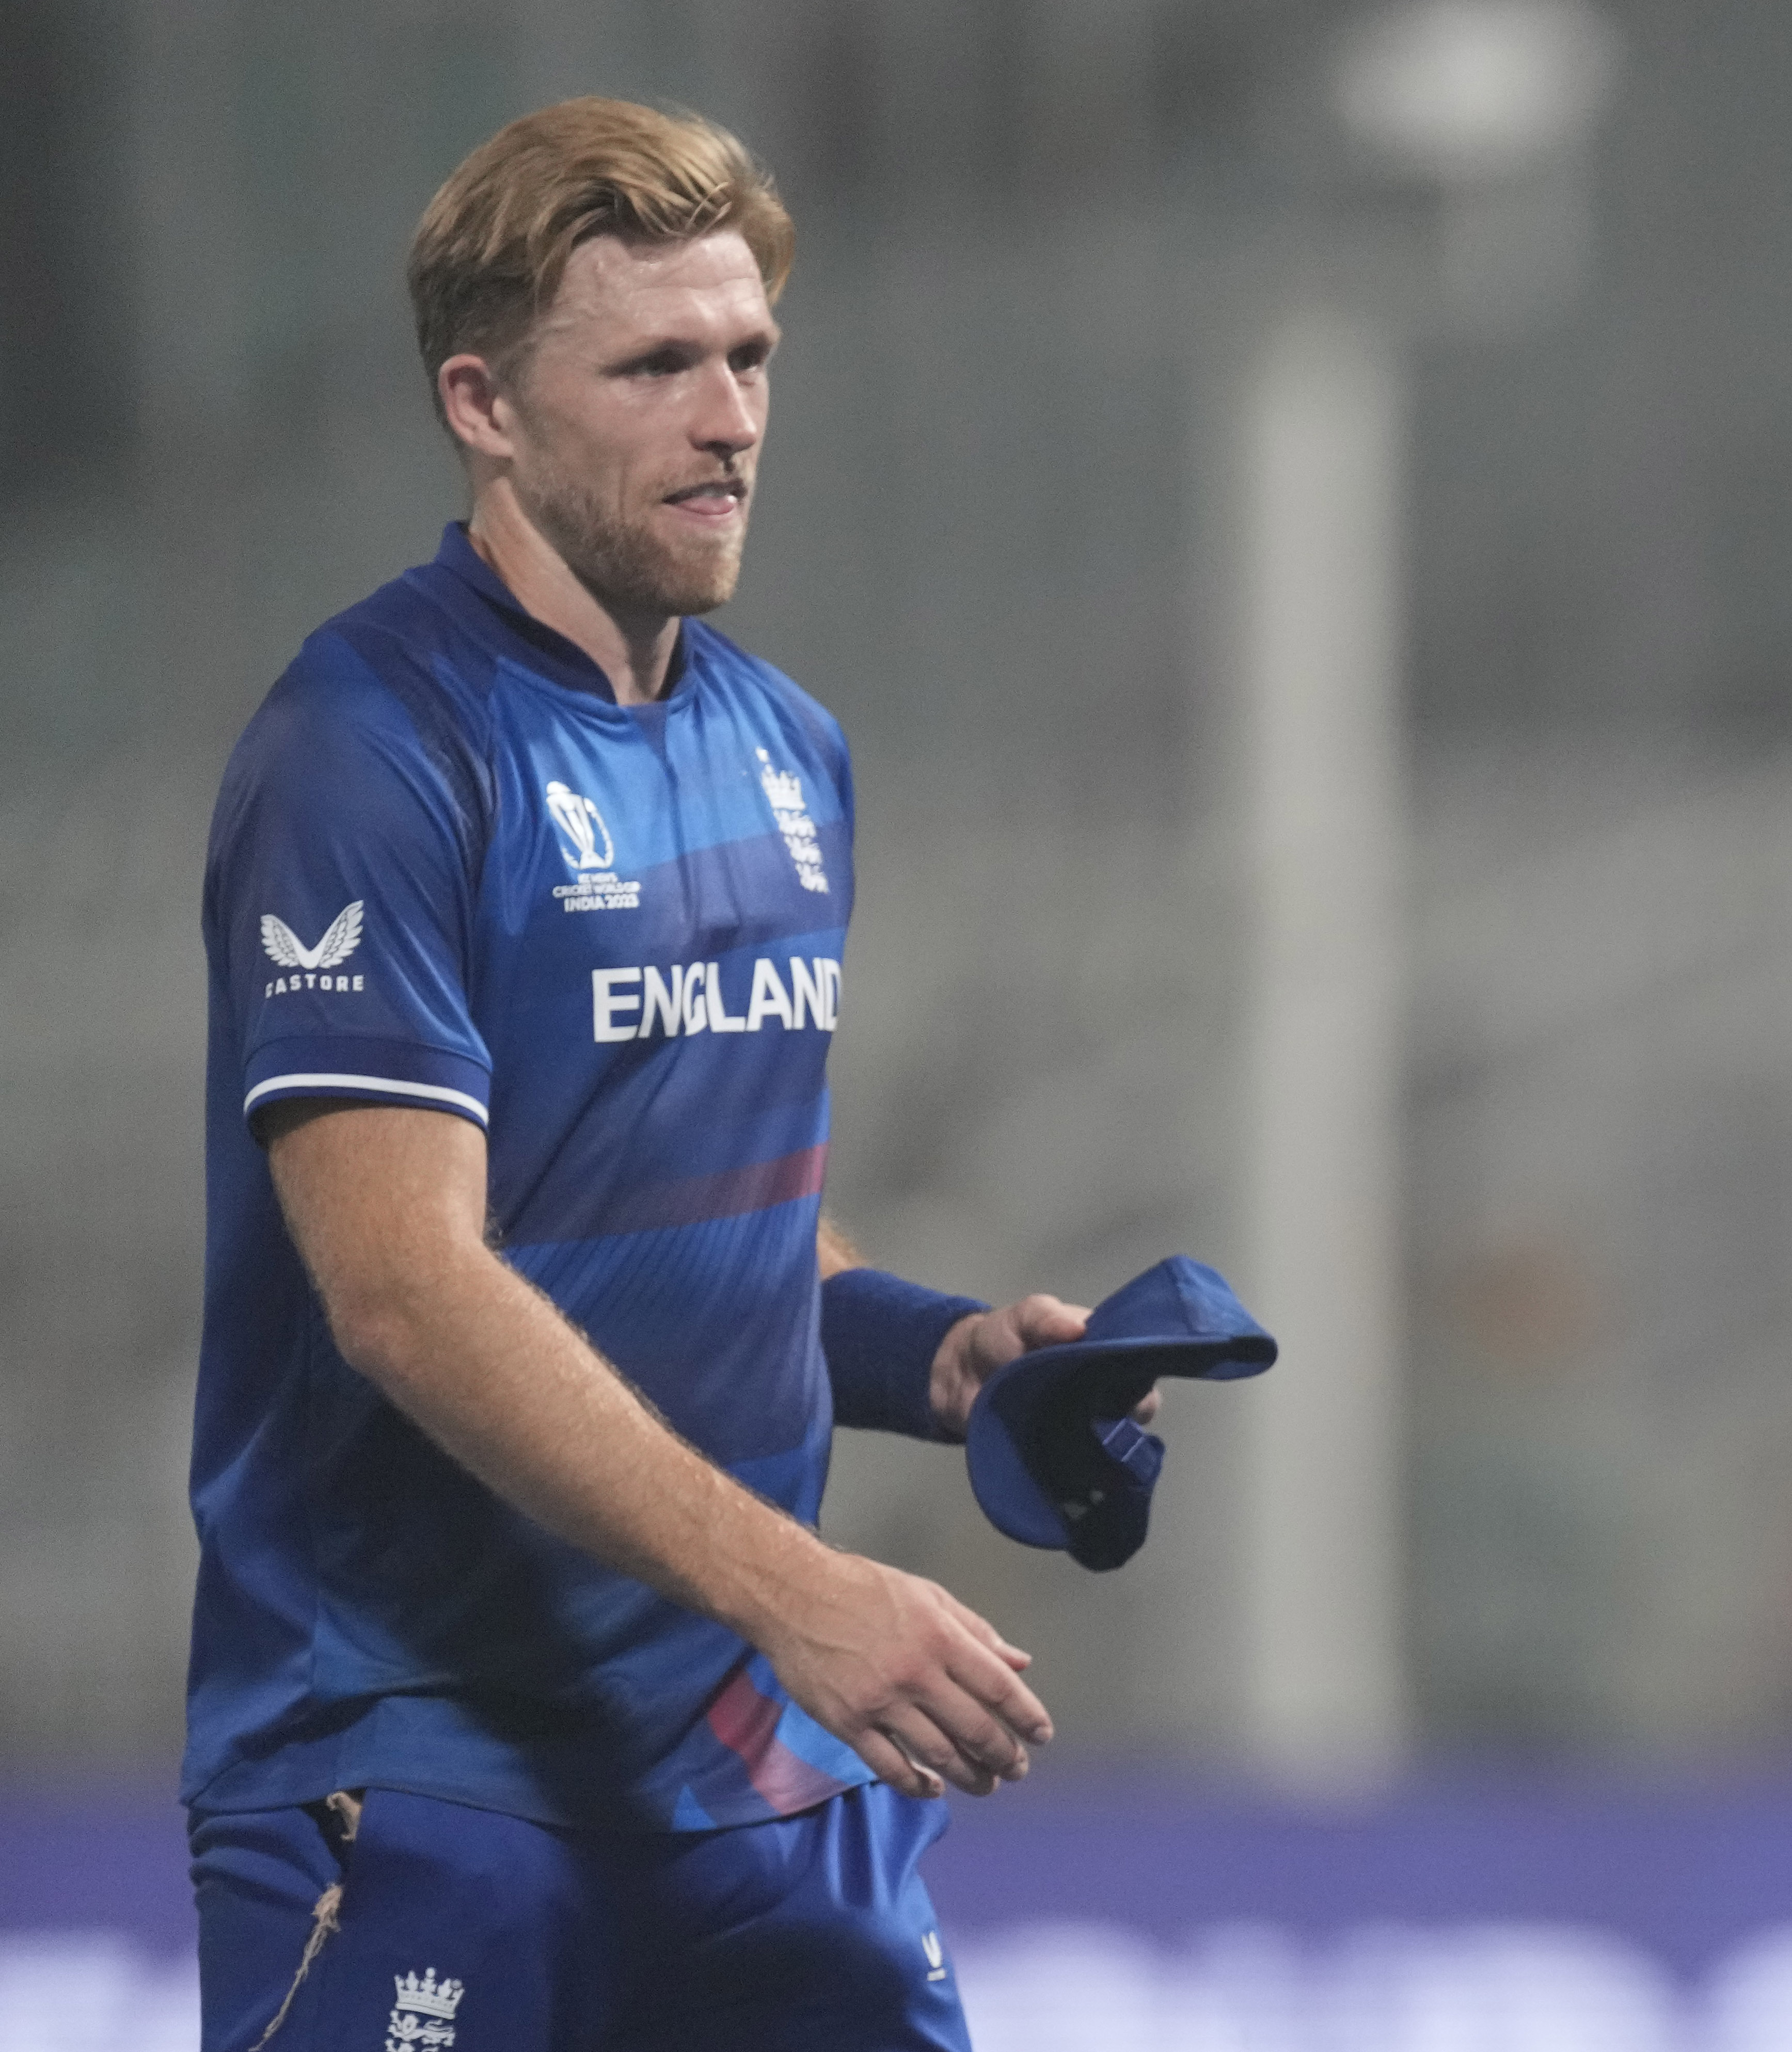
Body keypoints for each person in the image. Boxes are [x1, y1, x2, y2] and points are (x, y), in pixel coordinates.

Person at [188, 99, 1106, 2050]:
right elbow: (406, 1289)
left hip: (760, 1785)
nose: (731, 417)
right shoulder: (368, 749)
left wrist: (938, 1354)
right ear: (484, 405)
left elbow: (681, 1220)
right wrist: (803, 1592)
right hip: (427, 1770)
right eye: (657, 367)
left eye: (751, 357)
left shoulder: (789, 746)